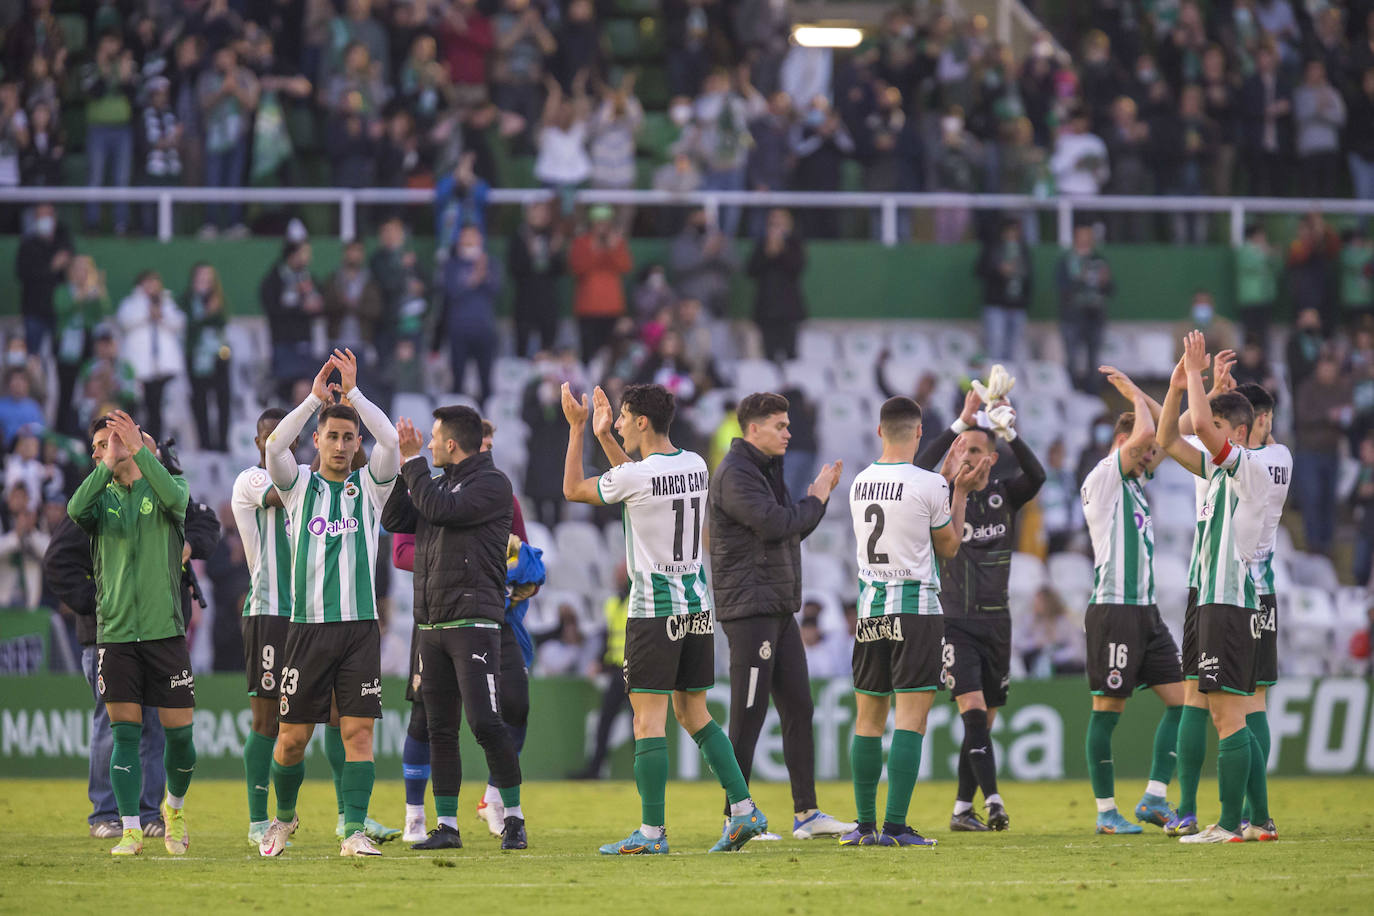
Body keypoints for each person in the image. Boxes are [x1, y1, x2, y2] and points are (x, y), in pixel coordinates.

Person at [561, 382, 768, 854]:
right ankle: (742, 810)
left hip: (654, 613)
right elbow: (643, 483)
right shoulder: (695, 464)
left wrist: (578, 431)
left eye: (621, 417)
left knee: (647, 723)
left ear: (640, 421)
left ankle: (652, 833)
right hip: (696, 608)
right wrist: (607, 440)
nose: (615, 424)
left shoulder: (638, 476)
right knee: (694, 713)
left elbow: (574, 489)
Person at [257, 350, 400, 858]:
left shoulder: (371, 487)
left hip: (360, 628)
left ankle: (354, 829)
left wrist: (355, 395)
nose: (340, 445)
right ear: (315, 441)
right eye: (331, 436)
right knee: (291, 739)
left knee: (358, 733)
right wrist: (314, 400)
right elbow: (275, 444)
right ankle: (283, 819)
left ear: (356, 442)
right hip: (307, 630)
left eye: (347, 437)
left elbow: (392, 442)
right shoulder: (297, 486)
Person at [709, 393, 855, 841]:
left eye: (788, 424)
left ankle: (806, 813)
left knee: (799, 707)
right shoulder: (736, 474)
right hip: (750, 609)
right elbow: (775, 524)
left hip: (776, 606)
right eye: (780, 425)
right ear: (753, 429)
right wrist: (815, 499)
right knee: (748, 714)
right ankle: (736, 814)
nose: (789, 433)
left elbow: (791, 529)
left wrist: (817, 500)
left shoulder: (765, 470)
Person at [841, 396, 985, 847]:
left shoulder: (860, 482)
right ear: (920, 432)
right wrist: (959, 491)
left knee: (867, 721)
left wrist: (945, 484)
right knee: (910, 721)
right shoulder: (930, 485)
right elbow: (948, 546)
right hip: (917, 611)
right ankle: (896, 827)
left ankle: (864, 826)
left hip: (870, 612)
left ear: (879, 430)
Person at [382, 405, 527, 851]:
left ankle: (514, 817)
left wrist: (412, 465)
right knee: (440, 728)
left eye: (433, 438)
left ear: (451, 444)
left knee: (485, 722)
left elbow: (440, 510)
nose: (427, 444)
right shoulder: (438, 484)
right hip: (432, 623)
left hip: (475, 622)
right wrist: (400, 464)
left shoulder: (491, 484)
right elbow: (394, 520)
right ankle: (447, 825)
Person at [1155, 331, 1276, 843]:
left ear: (1241, 432)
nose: (1210, 435)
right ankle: (1254, 822)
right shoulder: (1219, 467)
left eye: (1222, 430)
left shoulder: (1251, 468)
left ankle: (1229, 824)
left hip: (1228, 600)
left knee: (1228, 713)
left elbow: (1201, 425)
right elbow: (1167, 439)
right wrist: (1180, 386)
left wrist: (1197, 378)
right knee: (1234, 711)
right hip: (1216, 598)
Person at [67, 410, 196, 856]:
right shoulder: (99, 502)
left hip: (165, 633)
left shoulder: (168, 490)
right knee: (124, 735)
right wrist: (108, 463)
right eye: (101, 445)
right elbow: (73, 509)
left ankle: (173, 809)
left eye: (114, 441)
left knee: (180, 737)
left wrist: (138, 451)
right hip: (117, 635)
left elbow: (177, 501)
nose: (109, 450)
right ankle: (129, 830)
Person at [917, 386, 1045, 832]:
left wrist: (1009, 433)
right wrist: (958, 423)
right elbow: (915, 468)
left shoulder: (1004, 496)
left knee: (982, 726)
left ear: (990, 458)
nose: (967, 455)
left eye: (976, 448)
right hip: (955, 622)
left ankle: (959, 809)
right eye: (962, 449)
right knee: (972, 712)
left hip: (998, 623)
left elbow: (1038, 476)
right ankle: (993, 801)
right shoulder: (940, 496)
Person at [1079, 368, 1187, 835]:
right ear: (1122, 443)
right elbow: (1147, 432)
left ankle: (1154, 798)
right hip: (1114, 611)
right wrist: (1130, 394)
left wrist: (1177, 389)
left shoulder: (1135, 482)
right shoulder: (1104, 477)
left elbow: (1170, 433)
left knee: (1184, 702)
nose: (1151, 455)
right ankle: (1105, 811)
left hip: (1146, 612)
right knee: (1108, 710)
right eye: (1142, 452)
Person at [44, 501, 167, 840]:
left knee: (152, 725)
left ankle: (147, 813)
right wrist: (97, 601)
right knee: (112, 725)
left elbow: (202, 525)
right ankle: (105, 814)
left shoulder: (155, 495)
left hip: (151, 633)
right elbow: (57, 561)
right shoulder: (94, 502)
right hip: (104, 636)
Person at [229, 408, 296, 847]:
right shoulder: (250, 481)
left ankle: (348, 818)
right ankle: (257, 820)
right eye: (268, 439)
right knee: (267, 719)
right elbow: (281, 493)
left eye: (282, 439)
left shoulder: (308, 478)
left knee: (328, 715)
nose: (274, 445)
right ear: (258, 444)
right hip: (269, 611)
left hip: (313, 614)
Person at [1232, 382, 1289, 835]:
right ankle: (1257, 815)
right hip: (1262, 592)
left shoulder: (1268, 460)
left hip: (1249, 591)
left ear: (1263, 420)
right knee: (1254, 701)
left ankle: (1254, 814)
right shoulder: (1272, 458)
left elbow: (1226, 456)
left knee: (1244, 702)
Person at [116, 271, 186, 443]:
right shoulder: (132, 303)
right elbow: (124, 320)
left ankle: (153, 443)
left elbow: (179, 321)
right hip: (138, 369)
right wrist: (147, 313)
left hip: (160, 369)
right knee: (136, 408)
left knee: (156, 408)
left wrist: (161, 314)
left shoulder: (167, 302)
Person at [440, 224, 501, 406]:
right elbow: (451, 292)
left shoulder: (490, 263)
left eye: (473, 236)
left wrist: (484, 275)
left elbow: (496, 289)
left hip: (484, 330)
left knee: (485, 380)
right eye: (465, 236)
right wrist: (474, 278)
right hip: (459, 330)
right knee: (457, 379)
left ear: (480, 239)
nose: (469, 241)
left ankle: (487, 419)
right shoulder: (452, 265)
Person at [569, 206, 633, 364]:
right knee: (588, 352)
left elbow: (625, 266)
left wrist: (613, 249)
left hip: (612, 308)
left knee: (612, 352)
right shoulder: (582, 242)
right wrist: (595, 249)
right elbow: (577, 268)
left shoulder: (617, 242)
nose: (602, 227)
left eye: (605, 223)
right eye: (599, 223)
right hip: (588, 308)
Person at [1056, 224, 1114, 393]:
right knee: (1072, 360)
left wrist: (1105, 281)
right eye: (1082, 236)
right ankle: (1071, 395)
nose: (1086, 240)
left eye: (1088, 236)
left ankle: (1092, 395)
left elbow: (1111, 289)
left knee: (1094, 361)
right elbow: (1061, 288)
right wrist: (1079, 279)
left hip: (1095, 317)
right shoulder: (1067, 261)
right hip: (1072, 317)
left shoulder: (1099, 260)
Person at [507, 199, 566, 358]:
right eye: (536, 211)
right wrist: (529, 255)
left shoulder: (552, 237)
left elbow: (560, 271)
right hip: (525, 298)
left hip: (547, 298)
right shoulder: (519, 236)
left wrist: (555, 254)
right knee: (522, 343)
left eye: (543, 212)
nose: (540, 216)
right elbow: (514, 269)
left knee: (548, 344)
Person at [182, 263, 231, 452]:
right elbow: (189, 325)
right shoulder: (187, 301)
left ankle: (222, 442)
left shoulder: (219, 299)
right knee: (200, 400)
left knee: (222, 399)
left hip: (219, 354)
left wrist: (211, 314)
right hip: (196, 356)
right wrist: (206, 315)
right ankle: (204, 443)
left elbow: (223, 319)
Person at [748, 209, 807, 362]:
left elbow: (797, 268)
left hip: (789, 310)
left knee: (791, 355)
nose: (776, 224)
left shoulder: (795, 243)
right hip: (766, 310)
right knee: (768, 356)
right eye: (773, 221)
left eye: (780, 221)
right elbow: (751, 270)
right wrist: (768, 252)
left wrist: (781, 249)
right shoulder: (762, 244)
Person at [15, 201, 73, 355]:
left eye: (47, 214)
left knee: (63, 356)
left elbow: (72, 271)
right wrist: (51, 267)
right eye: (40, 215)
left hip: (61, 311)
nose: (44, 218)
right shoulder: (27, 244)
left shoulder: (64, 240)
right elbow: (23, 275)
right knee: (33, 356)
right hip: (34, 310)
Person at [976, 219, 1033, 363]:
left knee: (1013, 348)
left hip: (1017, 305)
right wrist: (998, 269)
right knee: (995, 345)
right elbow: (979, 270)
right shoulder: (993, 248)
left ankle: (1007, 382)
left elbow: (1029, 277)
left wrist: (1025, 301)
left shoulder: (1023, 250)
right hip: (996, 304)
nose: (1013, 234)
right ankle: (995, 382)